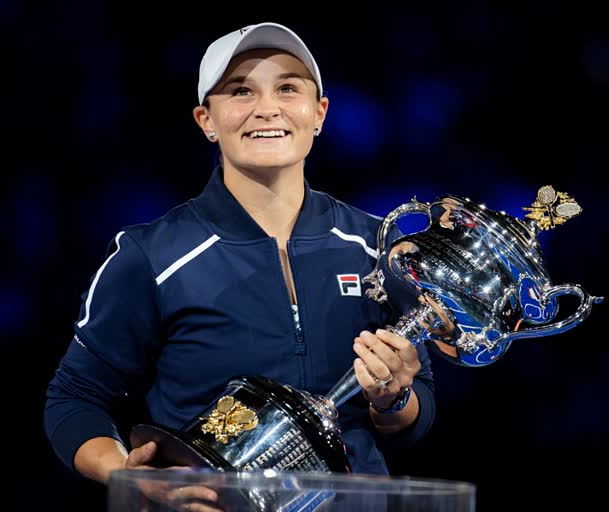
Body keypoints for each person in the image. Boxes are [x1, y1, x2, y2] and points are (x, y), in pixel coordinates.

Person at [44, 20, 436, 499]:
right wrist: (132, 475)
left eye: (288, 88)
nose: (267, 108)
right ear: (206, 120)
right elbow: (74, 400)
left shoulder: (378, 246)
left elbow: (413, 419)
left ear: (319, 113)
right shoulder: (150, 256)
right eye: (240, 91)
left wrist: (392, 398)